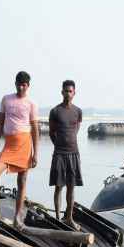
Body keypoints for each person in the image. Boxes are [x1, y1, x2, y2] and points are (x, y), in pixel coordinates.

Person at [0, 71, 39, 227]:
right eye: (19, 84)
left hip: (24, 143)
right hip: (8, 144)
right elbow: (0, 123)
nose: (21, 87)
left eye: (24, 85)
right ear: (15, 84)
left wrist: (36, 153)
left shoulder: (31, 104)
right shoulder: (6, 99)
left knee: (22, 180)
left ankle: (17, 217)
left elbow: (35, 129)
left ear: (28, 86)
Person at [48, 80, 83, 227]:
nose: (68, 93)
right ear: (61, 92)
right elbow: (51, 133)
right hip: (59, 154)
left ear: (74, 93)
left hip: (73, 153)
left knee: (71, 186)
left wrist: (70, 144)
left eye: (70, 91)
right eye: (65, 91)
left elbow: (76, 129)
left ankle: (69, 218)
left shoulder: (78, 111)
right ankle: (57, 217)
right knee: (59, 186)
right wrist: (59, 145)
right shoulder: (55, 111)